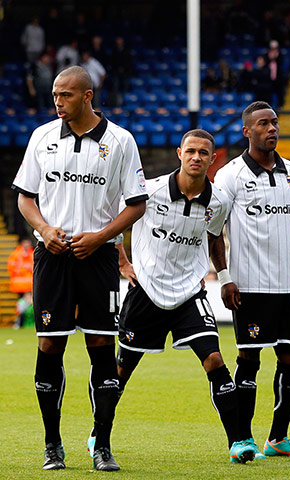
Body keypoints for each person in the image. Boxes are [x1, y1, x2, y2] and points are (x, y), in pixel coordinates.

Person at [11, 66, 148, 471]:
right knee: (50, 344)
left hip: (99, 258)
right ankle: (52, 444)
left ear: (88, 96)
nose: (57, 102)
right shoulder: (41, 136)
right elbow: (25, 198)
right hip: (51, 257)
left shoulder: (121, 141)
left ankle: (101, 444)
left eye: (65, 95)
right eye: (54, 95)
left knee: (102, 345)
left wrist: (101, 236)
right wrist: (44, 229)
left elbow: (136, 203)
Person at [112, 129, 253, 465]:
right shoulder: (151, 190)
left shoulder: (218, 201)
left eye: (203, 153)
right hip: (145, 290)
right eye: (191, 151)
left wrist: (225, 277)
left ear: (212, 158)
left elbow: (215, 238)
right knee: (120, 372)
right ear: (179, 153)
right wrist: (123, 262)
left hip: (190, 291)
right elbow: (116, 220)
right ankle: (98, 436)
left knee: (215, 360)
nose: (196, 157)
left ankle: (238, 442)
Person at [211, 101, 290, 459]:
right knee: (250, 359)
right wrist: (224, 277)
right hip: (250, 285)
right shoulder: (230, 175)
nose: (271, 128)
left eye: (274, 122)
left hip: (287, 284)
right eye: (263, 124)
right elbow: (214, 230)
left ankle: (278, 438)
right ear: (247, 131)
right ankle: (242, 438)